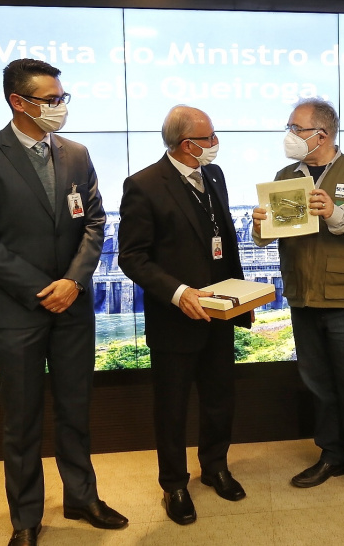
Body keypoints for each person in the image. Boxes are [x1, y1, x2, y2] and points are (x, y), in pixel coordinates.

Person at [0, 58, 127, 546]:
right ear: (18, 102)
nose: (60, 107)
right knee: (23, 419)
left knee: (76, 408)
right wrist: (40, 287)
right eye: (51, 100)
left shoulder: (76, 153)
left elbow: (95, 223)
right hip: (15, 310)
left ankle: (82, 496)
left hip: (72, 305)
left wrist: (72, 281)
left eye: (62, 97)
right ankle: (26, 517)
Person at [251, 98, 344, 509]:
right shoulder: (285, 176)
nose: (289, 134)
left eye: (296, 128)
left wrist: (336, 214)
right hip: (303, 295)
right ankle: (332, 457)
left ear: (321, 135)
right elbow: (270, 236)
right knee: (319, 386)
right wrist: (260, 228)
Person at [118, 105, 252, 525]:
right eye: (209, 138)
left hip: (220, 311)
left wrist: (240, 293)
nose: (216, 144)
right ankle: (174, 483)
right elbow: (132, 257)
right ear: (186, 144)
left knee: (219, 398)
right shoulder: (143, 184)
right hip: (175, 316)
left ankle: (215, 466)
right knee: (172, 407)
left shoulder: (214, 175)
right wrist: (177, 293)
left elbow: (223, 240)